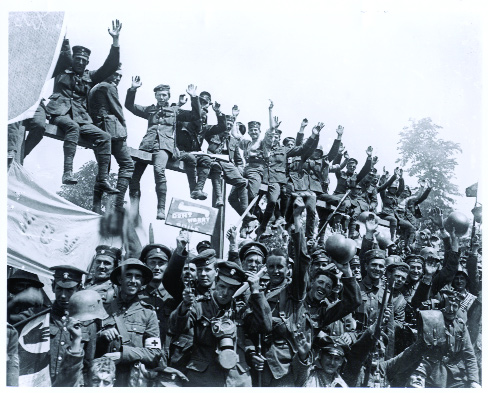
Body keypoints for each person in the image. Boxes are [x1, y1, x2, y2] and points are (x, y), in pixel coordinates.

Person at [44, 20, 122, 192]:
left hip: (81, 118)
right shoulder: (61, 70)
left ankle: (102, 180)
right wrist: (63, 36)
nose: (80, 62)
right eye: (77, 59)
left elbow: (110, 66)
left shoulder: (90, 77)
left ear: (87, 63)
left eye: (83, 60)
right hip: (60, 113)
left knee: (105, 137)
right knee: (72, 127)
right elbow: (61, 52)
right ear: (73, 59)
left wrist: (115, 41)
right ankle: (67, 172)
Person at [168, 261, 273, 386]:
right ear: (216, 282)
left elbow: (265, 326)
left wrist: (256, 292)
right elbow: (176, 328)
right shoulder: (199, 306)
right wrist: (185, 305)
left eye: (231, 289)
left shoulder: (240, 310)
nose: (225, 293)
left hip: (237, 379)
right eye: (222, 286)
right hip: (204, 378)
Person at [124, 77, 201, 219]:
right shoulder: (150, 110)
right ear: (155, 96)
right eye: (159, 95)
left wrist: (194, 98)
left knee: (159, 170)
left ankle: (160, 209)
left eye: (164, 95)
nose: (161, 97)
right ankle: (134, 209)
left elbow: (196, 115)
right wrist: (133, 89)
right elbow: (130, 106)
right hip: (147, 145)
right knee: (133, 176)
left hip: (164, 146)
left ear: (168, 96)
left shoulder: (175, 110)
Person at [97, 258, 161, 387]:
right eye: (128, 276)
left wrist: (122, 355)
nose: (133, 281)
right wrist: (101, 335)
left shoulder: (148, 314)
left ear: (142, 282)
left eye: (138, 277)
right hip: (102, 380)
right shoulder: (102, 309)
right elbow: (88, 346)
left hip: (132, 380)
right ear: (120, 280)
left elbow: (154, 354)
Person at [88, 64, 135, 213]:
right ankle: (118, 205)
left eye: (120, 76)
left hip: (98, 130)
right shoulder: (109, 87)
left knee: (104, 168)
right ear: (107, 73)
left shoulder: (94, 87)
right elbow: (118, 110)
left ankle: (96, 206)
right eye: (115, 74)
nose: (118, 78)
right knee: (127, 164)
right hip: (112, 129)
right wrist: (124, 129)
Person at [49, 265, 96, 385]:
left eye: (69, 290)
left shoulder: (89, 322)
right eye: (59, 289)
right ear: (53, 287)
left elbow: (89, 364)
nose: (63, 295)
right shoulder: (42, 317)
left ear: (79, 289)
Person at [138, 243, 177, 343]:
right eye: (152, 262)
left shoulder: (174, 295)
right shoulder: (137, 294)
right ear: (145, 264)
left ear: (168, 265)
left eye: (161, 263)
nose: (156, 267)